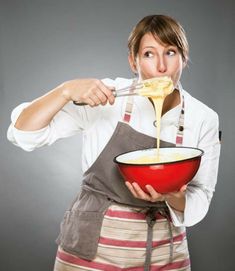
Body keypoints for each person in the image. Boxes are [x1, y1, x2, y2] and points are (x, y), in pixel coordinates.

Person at [7, 14, 220, 271]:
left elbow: (201, 196)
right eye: (149, 54)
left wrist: (173, 198)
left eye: (171, 52)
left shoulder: (203, 118)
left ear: (184, 59)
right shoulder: (106, 97)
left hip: (166, 256)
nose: (161, 67)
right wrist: (64, 91)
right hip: (92, 252)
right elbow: (23, 134)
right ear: (133, 61)